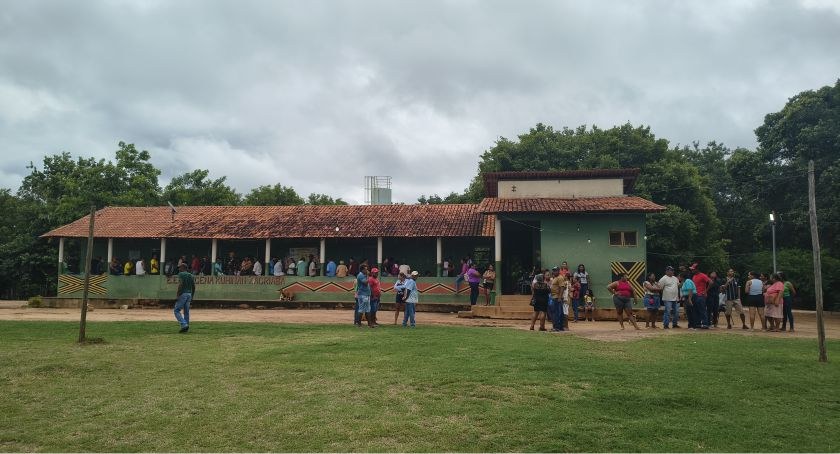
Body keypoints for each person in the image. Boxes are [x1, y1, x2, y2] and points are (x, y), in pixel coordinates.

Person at [174, 263, 195, 333]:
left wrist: (177, 295)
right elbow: (193, 286)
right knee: (186, 312)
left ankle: (184, 324)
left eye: (180, 267)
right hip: (189, 294)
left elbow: (181, 284)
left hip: (183, 294)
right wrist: (192, 296)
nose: (179, 269)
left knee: (176, 310)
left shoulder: (181, 274)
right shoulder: (191, 275)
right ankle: (186, 328)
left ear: (183, 268)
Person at [690, 264, 711, 329]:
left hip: (701, 296)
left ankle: (705, 324)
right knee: (696, 310)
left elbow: (711, 282)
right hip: (695, 295)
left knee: (702, 310)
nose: (692, 270)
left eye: (693, 269)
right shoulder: (694, 276)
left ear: (697, 269)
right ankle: (698, 323)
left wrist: (705, 291)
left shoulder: (703, 275)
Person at [549, 267, 567, 332]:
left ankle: (556, 327)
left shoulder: (560, 278)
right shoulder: (555, 278)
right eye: (553, 270)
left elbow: (562, 288)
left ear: (558, 271)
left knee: (556, 313)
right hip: (554, 297)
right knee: (557, 312)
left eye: (555, 271)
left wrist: (559, 297)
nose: (554, 272)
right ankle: (559, 327)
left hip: (557, 297)